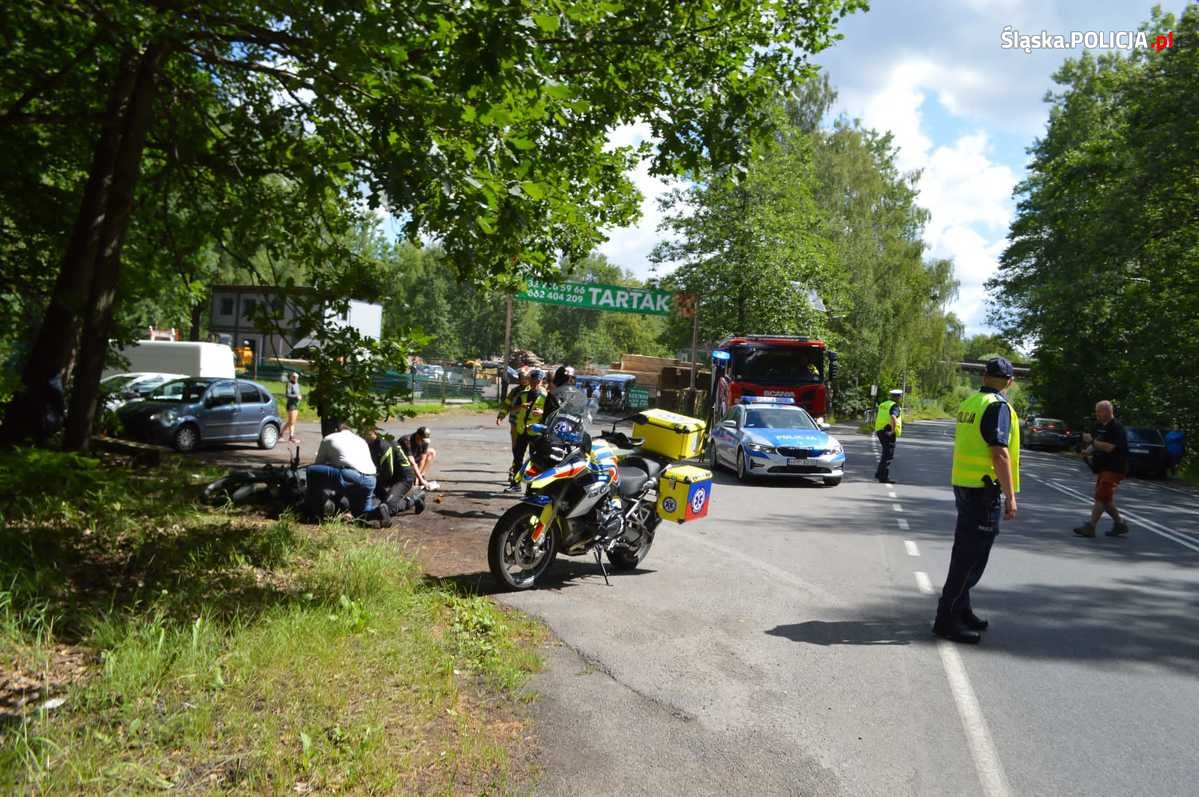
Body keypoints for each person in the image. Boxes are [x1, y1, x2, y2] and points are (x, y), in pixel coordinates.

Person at [933, 357, 1020, 645]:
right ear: (1009, 381)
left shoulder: (970, 403)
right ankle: (945, 621)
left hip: (965, 485)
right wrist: (1010, 496)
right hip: (984, 491)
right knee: (970, 560)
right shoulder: (998, 406)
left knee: (965, 551)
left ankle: (962, 609)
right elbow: (1000, 453)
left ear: (983, 376)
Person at [1073, 400, 1129, 538]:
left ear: (1107, 411)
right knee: (1105, 499)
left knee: (1101, 496)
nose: (1097, 414)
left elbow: (1110, 447)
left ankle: (1091, 527)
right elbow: (1097, 443)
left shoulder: (1117, 428)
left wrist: (1092, 441)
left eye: (1099, 411)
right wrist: (1087, 451)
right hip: (1103, 467)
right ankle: (1120, 523)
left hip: (1115, 467)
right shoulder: (1100, 426)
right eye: (1096, 411)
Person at [307, 422, 379, 520]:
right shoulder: (361, 440)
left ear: (336, 430)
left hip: (351, 476)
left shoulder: (329, 438)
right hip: (371, 480)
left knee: (312, 471)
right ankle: (379, 513)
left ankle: (314, 509)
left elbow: (318, 463)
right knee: (363, 514)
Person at [368, 429, 426, 517]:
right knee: (385, 503)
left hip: (404, 478)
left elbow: (388, 472)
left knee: (387, 509)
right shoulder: (373, 444)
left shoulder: (383, 445)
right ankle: (390, 500)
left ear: (374, 432)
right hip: (394, 475)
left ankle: (414, 500)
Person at [507, 369, 547, 492]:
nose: (535, 384)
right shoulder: (522, 394)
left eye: (537, 381)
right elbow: (512, 409)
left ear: (541, 381)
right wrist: (521, 406)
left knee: (536, 462)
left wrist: (542, 413)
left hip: (536, 434)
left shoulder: (547, 396)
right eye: (533, 381)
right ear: (529, 380)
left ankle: (532, 490)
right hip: (521, 431)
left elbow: (553, 414)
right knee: (517, 458)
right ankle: (516, 485)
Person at [873, 389, 904, 483]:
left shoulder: (884, 404)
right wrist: (893, 431)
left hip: (880, 430)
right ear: (898, 397)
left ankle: (879, 473)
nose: (900, 398)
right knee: (888, 455)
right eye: (900, 396)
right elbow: (893, 417)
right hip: (888, 432)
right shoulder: (894, 406)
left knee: (885, 453)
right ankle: (883, 477)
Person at [401, 425, 439, 491]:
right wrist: (418, 478)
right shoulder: (407, 440)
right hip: (404, 460)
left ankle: (421, 476)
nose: (423, 442)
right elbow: (412, 462)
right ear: (418, 436)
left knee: (432, 452)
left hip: (415, 455)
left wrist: (419, 477)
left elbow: (422, 459)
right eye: (422, 440)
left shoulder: (424, 441)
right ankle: (416, 477)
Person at [282, 371, 301, 443]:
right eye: (293, 377)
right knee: (291, 422)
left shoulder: (297, 385)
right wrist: (296, 397)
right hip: (291, 405)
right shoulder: (289, 384)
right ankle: (291, 437)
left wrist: (299, 396)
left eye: (296, 377)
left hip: (296, 405)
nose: (295, 378)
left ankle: (281, 434)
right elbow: (287, 395)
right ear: (291, 377)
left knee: (291, 422)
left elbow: (298, 393)